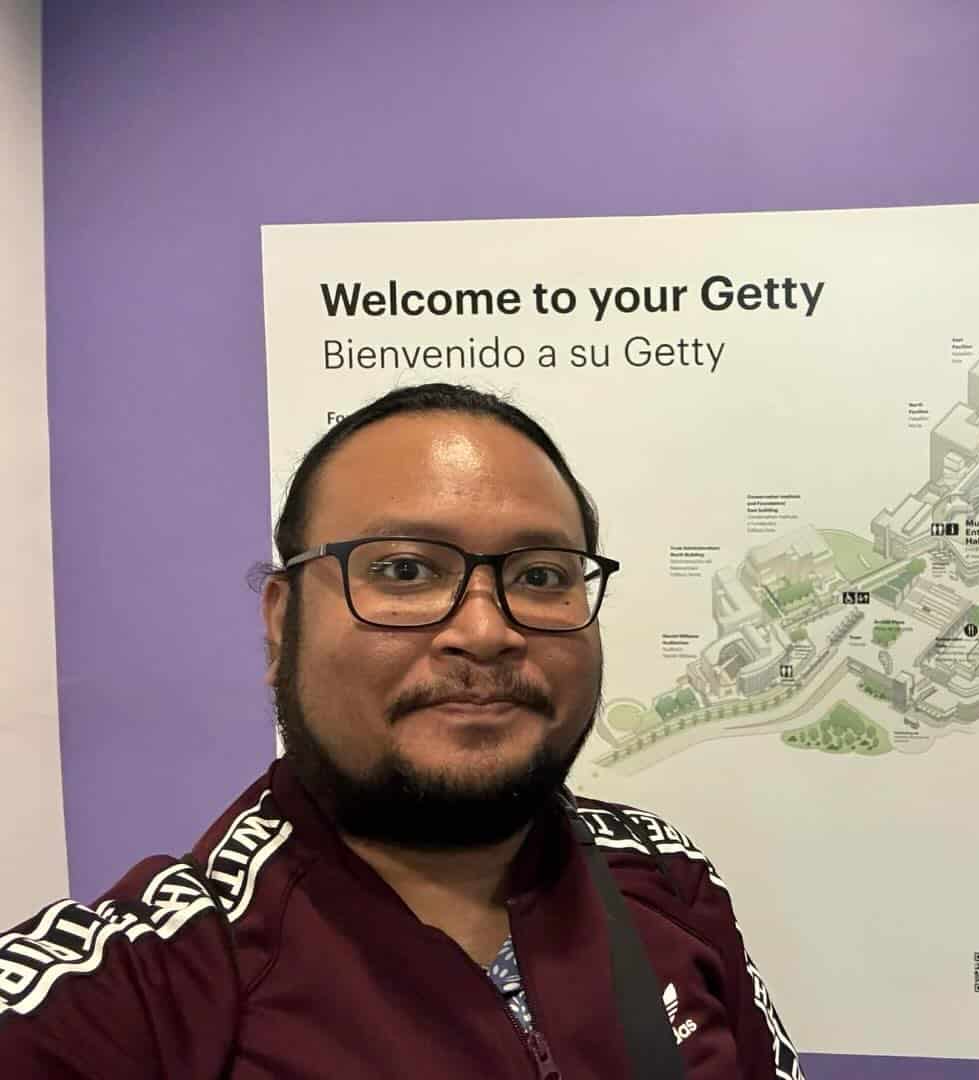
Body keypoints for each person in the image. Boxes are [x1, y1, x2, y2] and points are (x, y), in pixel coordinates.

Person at [0, 383, 805, 1079]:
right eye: (405, 571)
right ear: (283, 624)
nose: (486, 632)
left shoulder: (667, 878)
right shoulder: (144, 989)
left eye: (540, 576)